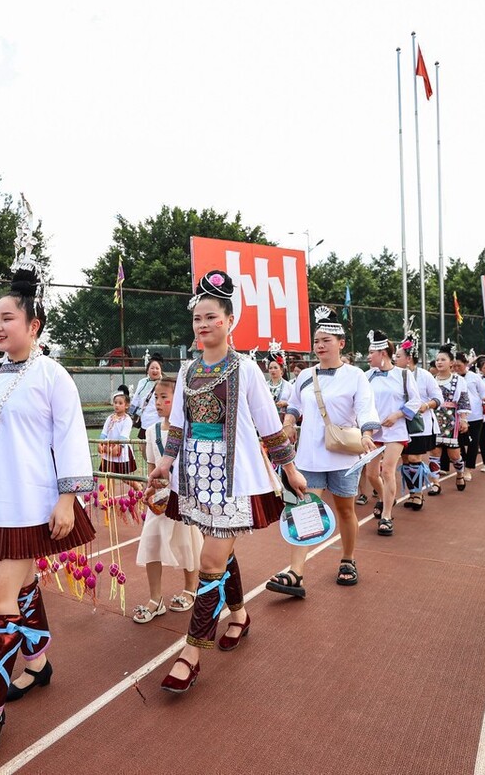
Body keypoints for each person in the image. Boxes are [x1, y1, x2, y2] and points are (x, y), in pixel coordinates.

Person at [0, 250, 97, 761]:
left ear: (33, 324)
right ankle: (38, 660)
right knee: (22, 584)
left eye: (6, 318)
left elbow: (71, 437)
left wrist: (67, 498)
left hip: (31, 502)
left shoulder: (53, 375)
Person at [146, 269, 305, 694]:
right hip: (197, 476)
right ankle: (239, 614)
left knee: (211, 562)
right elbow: (178, 425)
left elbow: (270, 426)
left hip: (235, 479)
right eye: (197, 317)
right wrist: (165, 463)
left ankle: (192, 653)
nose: (202, 324)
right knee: (221, 553)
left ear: (229, 320)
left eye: (211, 316)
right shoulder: (186, 371)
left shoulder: (247, 369)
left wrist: (290, 470)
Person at [267, 308, 379, 595]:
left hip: (343, 456)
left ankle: (348, 559)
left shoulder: (355, 375)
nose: (319, 345)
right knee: (303, 510)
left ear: (341, 343)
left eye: (326, 340)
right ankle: (296, 572)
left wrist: (367, 433)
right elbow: (293, 405)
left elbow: (366, 408)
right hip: (309, 457)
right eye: (317, 340)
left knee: (344, 510)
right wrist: (289, 423)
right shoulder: (306, 375)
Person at [133, 375, 202, 623]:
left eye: (165, 397)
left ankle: (190, 589)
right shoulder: (151, 432)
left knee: (187, 542)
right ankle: (155, 599)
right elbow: (152, 466)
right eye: (155, 397)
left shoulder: (188, 430)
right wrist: (150, 489)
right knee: (151, 542)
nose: (158, 402)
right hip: (159, 501)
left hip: (183, 497)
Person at [365, 330, 410, 536]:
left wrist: (398, 414)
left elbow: (415, 401)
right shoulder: (366, 376)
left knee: (387, 471)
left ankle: (386, 515)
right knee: (371, 474)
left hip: (395, 430)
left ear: (382, 353)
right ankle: (384, 498)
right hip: (373, 432)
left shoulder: (403, 374)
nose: (367, 356)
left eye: (371, 352)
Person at [396, 334, 441, 508]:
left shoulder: (424, 376)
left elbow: (438, 398)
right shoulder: (395, 375)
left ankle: (418, 494)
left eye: (398, 356)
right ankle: (413, 492)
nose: (395, 359)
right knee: (406, 459)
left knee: (415, 457)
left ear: (408, 359)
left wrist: (426, 405)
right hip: (401, 425)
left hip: (421, 425)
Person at [430, 343, 470, 492]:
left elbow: (463, 400)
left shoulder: (459, 380)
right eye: (437, 359)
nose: (439, 362)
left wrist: (464, 419)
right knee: (434, 452)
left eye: (443, 359)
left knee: (454, 455)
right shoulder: (431, 379)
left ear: (451, 362)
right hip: (434, 419)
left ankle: (459, 473)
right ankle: (435, 482)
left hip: (452, 419)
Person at [98, 385, 136, 496]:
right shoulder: (109, 418)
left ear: (126, 406)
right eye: (115, 403)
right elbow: (104, 433)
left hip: (121, 450)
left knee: (124, 476)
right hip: (108, 449)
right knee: (109, 475)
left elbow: (123, 436)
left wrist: (116, 448)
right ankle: (110, 498)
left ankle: (137, 486)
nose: (117, 405)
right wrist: (101, 443)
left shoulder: (127, 419)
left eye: (120, 403)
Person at [456, 351, 485, 478]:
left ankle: (468, 468)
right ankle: (462, 465)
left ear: (466, 364)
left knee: (473, 443)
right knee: (459, 444)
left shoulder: (474, 377)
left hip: (475, 415)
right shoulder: (452, 378)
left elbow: (484, 391)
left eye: (459, 365)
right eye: (454, 366)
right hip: (457, 416)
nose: (457, 368)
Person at [128, 353, 164, 438]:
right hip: (145, 420)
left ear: (161, 370)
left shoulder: (165, 383)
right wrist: (129, 414)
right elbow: (136, 399)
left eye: (157, 368)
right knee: (145, 447)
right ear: (147, 370)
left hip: (159, 420)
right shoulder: (142, 382)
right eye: (152, 368)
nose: (154, 370)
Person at [265, 345, 294, 422]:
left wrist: (285, 403)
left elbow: (296, 403)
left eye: (275, 368)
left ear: (281, 370)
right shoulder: (264, 385)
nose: (272, 370)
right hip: (268, 420)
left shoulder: (289, 386)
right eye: (270, 368)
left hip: (284, 420)